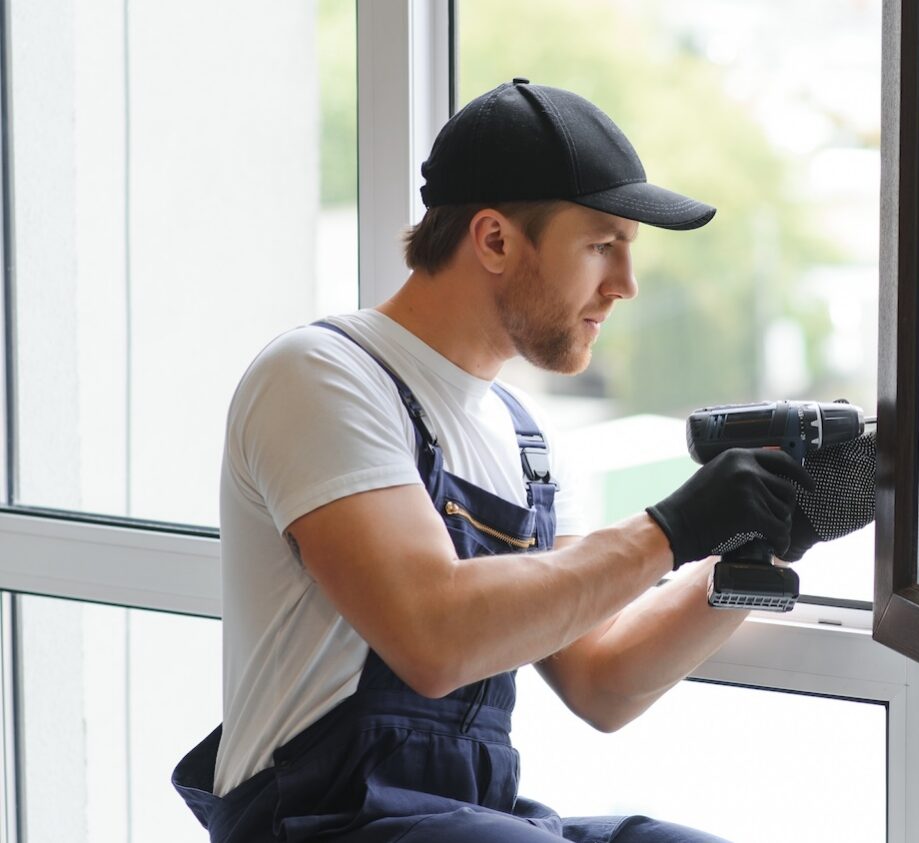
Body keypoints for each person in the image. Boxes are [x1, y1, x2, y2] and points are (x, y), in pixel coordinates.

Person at [171, 79, 864, 842]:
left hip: (474, 820)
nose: (626, 286)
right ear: (495, 239)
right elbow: (431, 635)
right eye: (603, 245)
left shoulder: (523, 438)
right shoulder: (322, 375)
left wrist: (748, 547)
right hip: (320, 820)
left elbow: (600, 679)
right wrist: (672, 525)